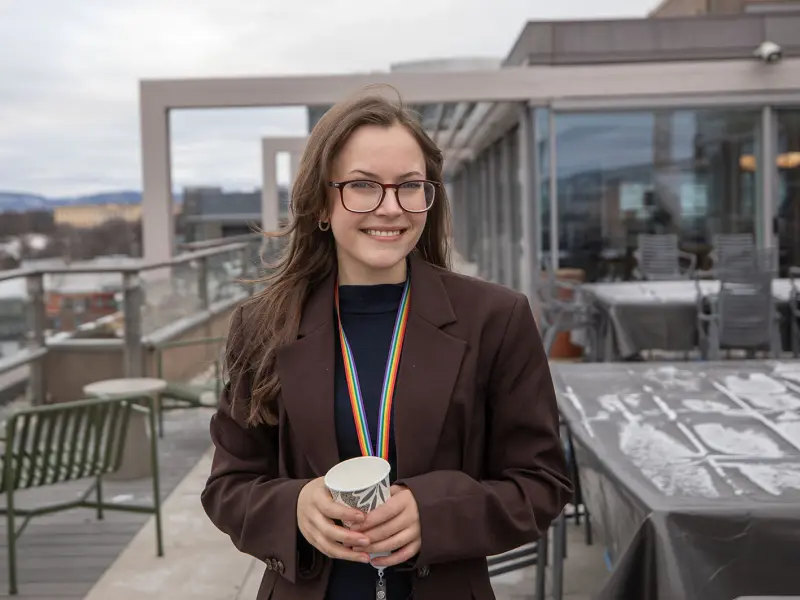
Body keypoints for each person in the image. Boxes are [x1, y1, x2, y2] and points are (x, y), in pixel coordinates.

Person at [200, 89, 572, 600]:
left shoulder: (496, 319)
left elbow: (543, 483)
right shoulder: (262, 325)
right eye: (363, 185)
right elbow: (228, 486)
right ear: (321, 203)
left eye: (410, 186)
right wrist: (295, 506)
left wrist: (436, 513)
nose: (391, 207)